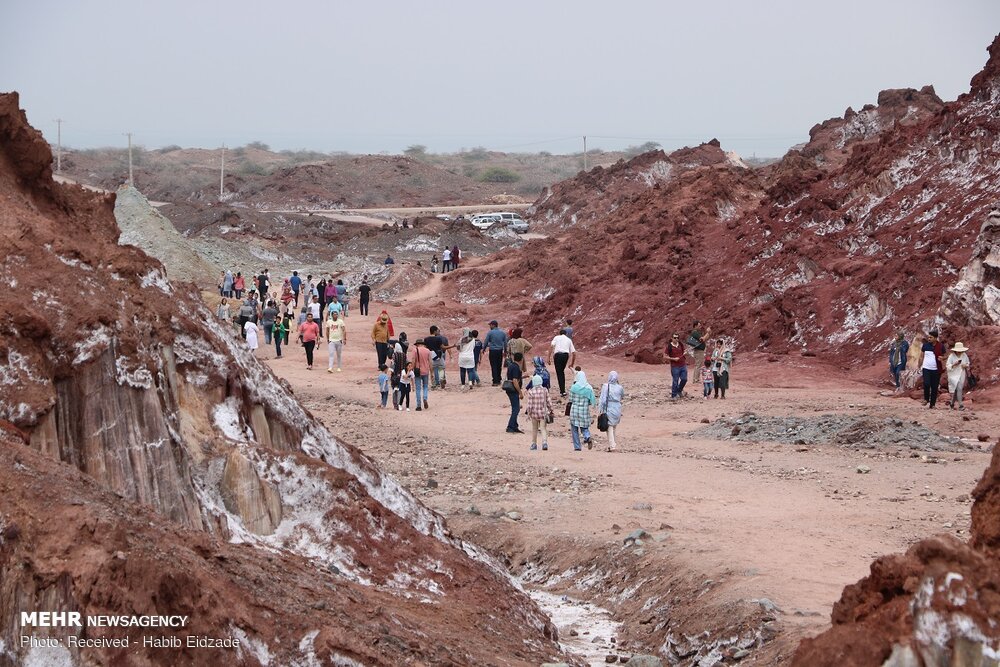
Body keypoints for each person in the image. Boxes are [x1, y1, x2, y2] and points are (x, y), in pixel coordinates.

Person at [568, 370, 595, 451]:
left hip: (574, 410)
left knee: (574, 428)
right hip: (584, 411)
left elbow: (571, 399)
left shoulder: (574, 387)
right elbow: (591, 401)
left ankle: (577, 447)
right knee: (584, 427)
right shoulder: (589, 388)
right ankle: (587, 437)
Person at [524, 373, 552, 451]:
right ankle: (544, 443)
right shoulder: (544, 390)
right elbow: (549, 401)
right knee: (543, 428)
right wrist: (551, 410)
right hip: (543, 413)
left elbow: (529, 404)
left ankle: (534, 444)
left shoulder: (531, 391)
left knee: (534, 428)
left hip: (534, 413)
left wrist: (528, 414)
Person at [599, 371, 625, 451]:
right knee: (614, 426)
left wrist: (601, 409)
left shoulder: (606, 386)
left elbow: (603, 400)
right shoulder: (620, 387)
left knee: (609, 427)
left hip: (609, 407)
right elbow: (622, 396)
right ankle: (612, 444)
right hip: (617, 407)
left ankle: (612, 445)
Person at [921, 330, 946, 408]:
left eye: (931, 337)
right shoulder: (925, 345)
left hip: (936, 369)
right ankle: (926, 398)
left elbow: (945, 356)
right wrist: (920, 364)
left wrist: (943, 358)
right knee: (926, 383)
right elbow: (922, 356)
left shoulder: (941, 346)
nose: (929, 339)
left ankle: (932, 404)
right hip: (926, 368)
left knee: (934, 387)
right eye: (928, 337)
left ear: (935, 338)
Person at [548, 328, 576, 397]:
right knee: (561, 371)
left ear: (559, 333)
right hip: (565, 356)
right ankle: (562, 390)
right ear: (566, 334)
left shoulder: (556, 337)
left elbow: (551, 346)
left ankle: (562, 391)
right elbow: (574, 353)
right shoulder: (569, 340)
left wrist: (548, 357)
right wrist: (572, 364)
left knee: (559, 372)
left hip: (557, 355)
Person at [504, 352, 525, 434]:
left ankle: (515, 425)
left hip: (509, 389)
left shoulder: (511, 366)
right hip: (513, 390)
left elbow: (512, 377)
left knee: (515, 408)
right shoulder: (516, 367)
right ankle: (510, 426)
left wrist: (523, 377)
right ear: (521, 359)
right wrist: (520, 392)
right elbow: (515, 380)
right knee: (516, 409)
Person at [946, 342, 971, 410]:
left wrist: (965, 365)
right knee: (958, 389)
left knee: (958, 389)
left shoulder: (964, 355)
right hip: (953, 375)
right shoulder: (951, 356)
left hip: (961, 374)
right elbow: (948, 366)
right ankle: (959, 405)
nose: (960, 352)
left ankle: (953, 403)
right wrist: (954, 364)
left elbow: (968, 363)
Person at [410, 339, 432, 410]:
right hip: (426, 371)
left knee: (418, 388)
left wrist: (411, 369)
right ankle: (425, 398)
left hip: (417, 371)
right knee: (425, 386)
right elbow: (430, 363)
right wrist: (432, 373)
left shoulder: (415, 350)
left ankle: (419, 405)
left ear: (417, 344)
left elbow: (413, 361)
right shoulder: (428, 350)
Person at [484, 320, 508, 386]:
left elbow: (486, 342)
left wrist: (483, 349)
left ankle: (495, 381)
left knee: (493, 365)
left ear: (493, 325)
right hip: (500, 351)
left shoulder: (490, 333)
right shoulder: (502, 333)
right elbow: (505, 343)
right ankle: (499, 379)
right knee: (499, 365)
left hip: (492, 351)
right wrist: (505, 351)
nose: (490, 326)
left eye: (490, 325)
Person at [665, 333, 688, 399]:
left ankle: (679, 390)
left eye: (677, 338)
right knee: (675, 380)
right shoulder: (669, 346)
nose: (676, 339)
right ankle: (674, 395)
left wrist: (685, 353)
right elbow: (665, 356)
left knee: (684, 379)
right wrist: (673, 359)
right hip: (675, 366)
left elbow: (684, 351)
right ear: (671, 338)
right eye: (675, 338)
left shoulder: (680, 344)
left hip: (683, 364)